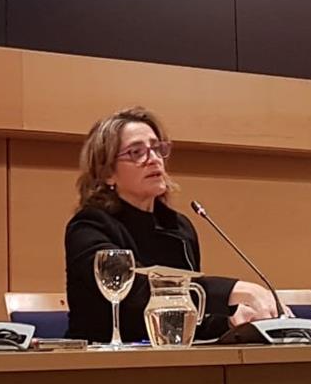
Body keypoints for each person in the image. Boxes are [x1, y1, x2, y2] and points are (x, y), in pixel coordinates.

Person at [64, 107, 280, 343]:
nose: (154, 159)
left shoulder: (179, 228)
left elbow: (183, 319)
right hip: (102, 367)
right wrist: (229, 291)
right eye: (136, 152)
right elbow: (136, 298)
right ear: (107, 174)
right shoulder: (89, 227)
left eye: (157, 149)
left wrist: (233, 321)